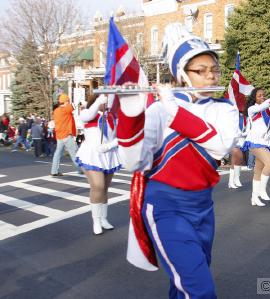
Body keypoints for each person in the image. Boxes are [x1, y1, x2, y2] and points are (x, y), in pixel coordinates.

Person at [116, 23, 238, 298]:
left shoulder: (225, 109)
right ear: (182, 74)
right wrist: (130, 113)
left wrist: (175, 112)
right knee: (200, 289)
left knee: (184, 282)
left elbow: (220, 146)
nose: (210, 76)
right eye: (201, 70)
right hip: (165, 206)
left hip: (203, 205)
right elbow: (133, 161)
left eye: (214, 69)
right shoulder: (159, 108)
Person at [75, 94, 121, 235]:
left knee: (105, 189)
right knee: (98, 186)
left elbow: (122, 135)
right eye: (105, 101)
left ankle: (103, 219)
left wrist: (109, 146)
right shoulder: (88, 113)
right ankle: (96, 220)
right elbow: (85, 117)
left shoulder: (113, 117)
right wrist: (97, 103)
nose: (107, 103)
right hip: (92, 155)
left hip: (108, 154)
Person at [243, 88, 270, 207]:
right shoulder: (252, 109)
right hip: (255, 141)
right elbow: (260, 108)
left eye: (264, 95)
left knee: (258, 170)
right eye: (259, 95)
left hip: (266, 141)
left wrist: (269, 134)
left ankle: (254, 197)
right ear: (254, 98)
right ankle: (262, 190)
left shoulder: (269, 110)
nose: (262, 97)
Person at [50, 93, 80, 176]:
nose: (69, 102)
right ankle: (81, 169)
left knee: (57, 154)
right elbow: (75, 104)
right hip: (67, 135)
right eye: (68, 101)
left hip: (59, 135)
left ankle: (54, 171)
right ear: (66, 101)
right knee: (74, 153)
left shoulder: (56, 111)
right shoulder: (65, 109)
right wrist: (80, 96)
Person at [228, 111, 248, 188]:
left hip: (242, 140)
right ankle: (230, 181)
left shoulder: (246, 118)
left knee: (239, 160)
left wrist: (242, 134)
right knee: (234, 159)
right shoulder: (232, 116)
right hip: (234, 140)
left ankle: (236, 179)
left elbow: (248, 130)